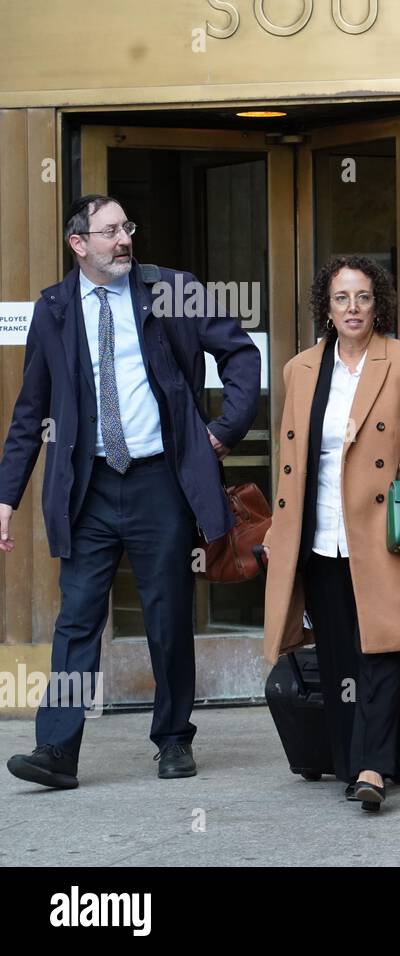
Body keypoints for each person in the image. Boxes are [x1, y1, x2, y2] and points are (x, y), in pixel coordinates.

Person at [0, 194, 260, 789]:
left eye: (127, 228)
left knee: (167, 617)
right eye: (109, 231)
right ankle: (57, 750)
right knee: (77, 621)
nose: (123, 240)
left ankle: (173, 739)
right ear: (78, 244)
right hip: (86, 489)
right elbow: (29, 412)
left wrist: (220, 434)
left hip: (158, 482)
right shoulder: (54, 308)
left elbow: (240, 355)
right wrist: (6, 495)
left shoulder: (172, 288)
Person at [261, 255, 400, 813]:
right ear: (327, 305)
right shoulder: (300, 369)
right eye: (342, 297)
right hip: (319, 534)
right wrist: (281, 533)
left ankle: (370, 767)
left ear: (379, 304)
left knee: (383, 647)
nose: (353, 308)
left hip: (380, 532)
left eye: (363, 297)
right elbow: (291, 462)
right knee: (344, 654)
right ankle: (391, 747)